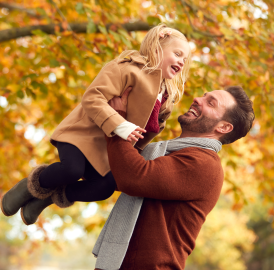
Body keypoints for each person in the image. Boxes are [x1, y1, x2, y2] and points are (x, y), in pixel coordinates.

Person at [0, 24, 192, 225]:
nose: (181, 61)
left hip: (104, 150)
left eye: (184, 59)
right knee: (72, 170)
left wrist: (132, 156)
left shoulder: (166, 98)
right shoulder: (127, 69)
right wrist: (120, 124)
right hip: (81, 134)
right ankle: (29, 187)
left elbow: (147, 132)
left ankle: (47, 198)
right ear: (156, 49)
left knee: (105, 187)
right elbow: (93, 97)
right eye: (177, 54)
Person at [93, 86, 255, 270]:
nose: (197, 99)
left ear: (223, 127)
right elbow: (119, 171)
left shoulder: (204, 164)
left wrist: (117, 123)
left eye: (210, 103)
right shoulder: (172, 152)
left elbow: (134, 176)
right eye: (204, 96)